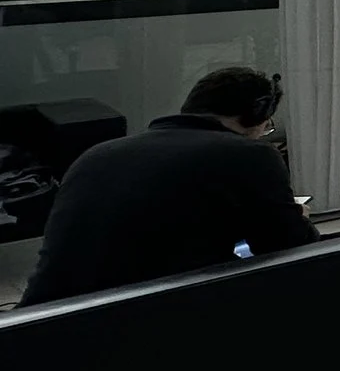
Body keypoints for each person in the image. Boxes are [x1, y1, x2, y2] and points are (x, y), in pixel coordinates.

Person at [17, 68, 314, 307]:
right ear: (254, 119)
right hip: (143, 318)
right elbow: (289, 247)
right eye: (268, 126)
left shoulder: (99, 153)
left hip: (41, 318)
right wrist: (297, 217)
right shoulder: (250, 155)